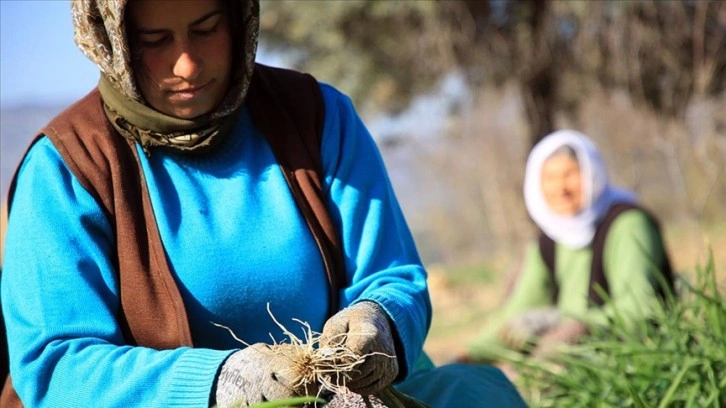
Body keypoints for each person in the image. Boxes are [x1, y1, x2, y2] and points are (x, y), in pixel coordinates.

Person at [1, 1, 527, 407]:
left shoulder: (315, 117)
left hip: (335, 399)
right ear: (111, 40)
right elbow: (55, 361)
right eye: (154, 39)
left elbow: (393, 276)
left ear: (239, 17)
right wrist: (219, 383)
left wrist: (380, 323)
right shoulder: (68, 166)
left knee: (478, 393)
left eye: (207, 28)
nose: (186, 64)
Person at [465, 129, 674, 367]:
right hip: (572, 359)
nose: (561, 188)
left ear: (592, 173)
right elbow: (518, 310)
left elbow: (640, 308)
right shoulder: (549, 239)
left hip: (635, 359)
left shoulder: (628, 225)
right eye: (550, 178)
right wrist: (469, 356)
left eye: (570, 174)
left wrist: (580, 327)